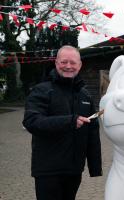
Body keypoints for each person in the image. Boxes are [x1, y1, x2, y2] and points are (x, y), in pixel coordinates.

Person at [23, 45, 102, 200]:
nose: (68, 66)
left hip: (74, 170)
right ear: (56, 63)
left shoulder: (85, 95)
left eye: (73, 63)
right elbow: (31, 121)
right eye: (64, 62)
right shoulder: (42, 90)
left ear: (79, 65)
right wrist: (69, 121)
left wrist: (95, 167)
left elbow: (92, 133)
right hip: (48, 170)